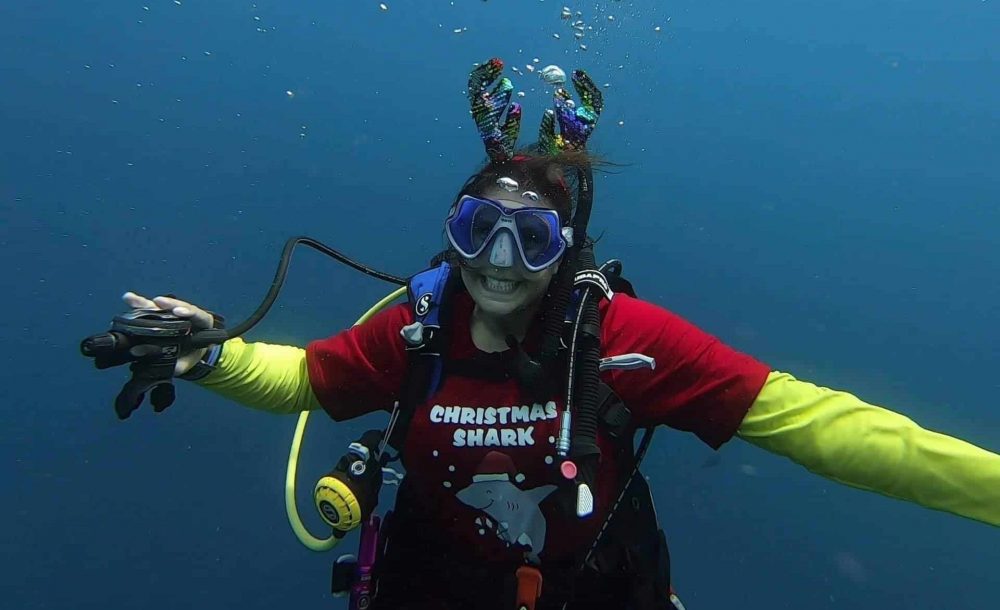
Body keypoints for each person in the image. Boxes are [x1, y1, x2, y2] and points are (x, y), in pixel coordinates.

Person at [115, 59, 1000, 609]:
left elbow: (823, 426)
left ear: (565, 250)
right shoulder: (420, 328)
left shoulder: (619, 337)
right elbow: (305, 379)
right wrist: (209, 355)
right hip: (431, 588)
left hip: (597, 590)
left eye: (531, 240)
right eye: (478, 232)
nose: (499, 263)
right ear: (451, 232)